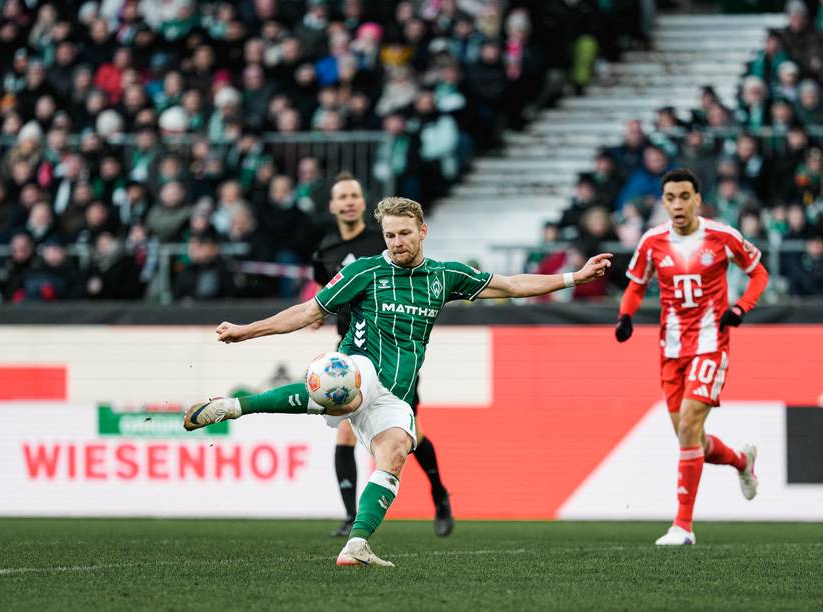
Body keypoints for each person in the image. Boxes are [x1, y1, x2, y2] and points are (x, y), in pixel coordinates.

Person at [185, 196, 612, 566]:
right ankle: (234, 406)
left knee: (394, 452)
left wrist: (574, 277)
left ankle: (356, 545)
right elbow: (308, 312)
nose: (397, 242)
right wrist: (246, 330)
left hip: (397, 392)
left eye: (404, 234)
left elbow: (513, 284)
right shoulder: (365, 272)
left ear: (422, 231)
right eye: (390, 235)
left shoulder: (445, 276)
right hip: (359, 366)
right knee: (342, 386)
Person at [614, 168, 769, 546]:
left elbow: (759, 273)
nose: (678, 205)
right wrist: (625, 316)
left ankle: (682, 527)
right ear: (663, 201)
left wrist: (742, 307)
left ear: (698, 199)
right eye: (671, 198)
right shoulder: (652, 242)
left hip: (710, 344)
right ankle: (740, 461)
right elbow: (636, 285)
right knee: (691, 438)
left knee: (688, 430)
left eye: (685, 197)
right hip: (670, 350)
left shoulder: (721, 236)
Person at [311, 172, 454, 538]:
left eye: (354, 195)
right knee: (344, 433)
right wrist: (319, 316)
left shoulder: (384, 239)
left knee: (413, 436)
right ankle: (350, 517)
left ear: (363, 202)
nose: (348, 202)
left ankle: (439, 495)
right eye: (341, 196)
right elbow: (325, 293)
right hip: (352, 352)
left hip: (393, 351)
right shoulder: (324, 250)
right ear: (332, 206)